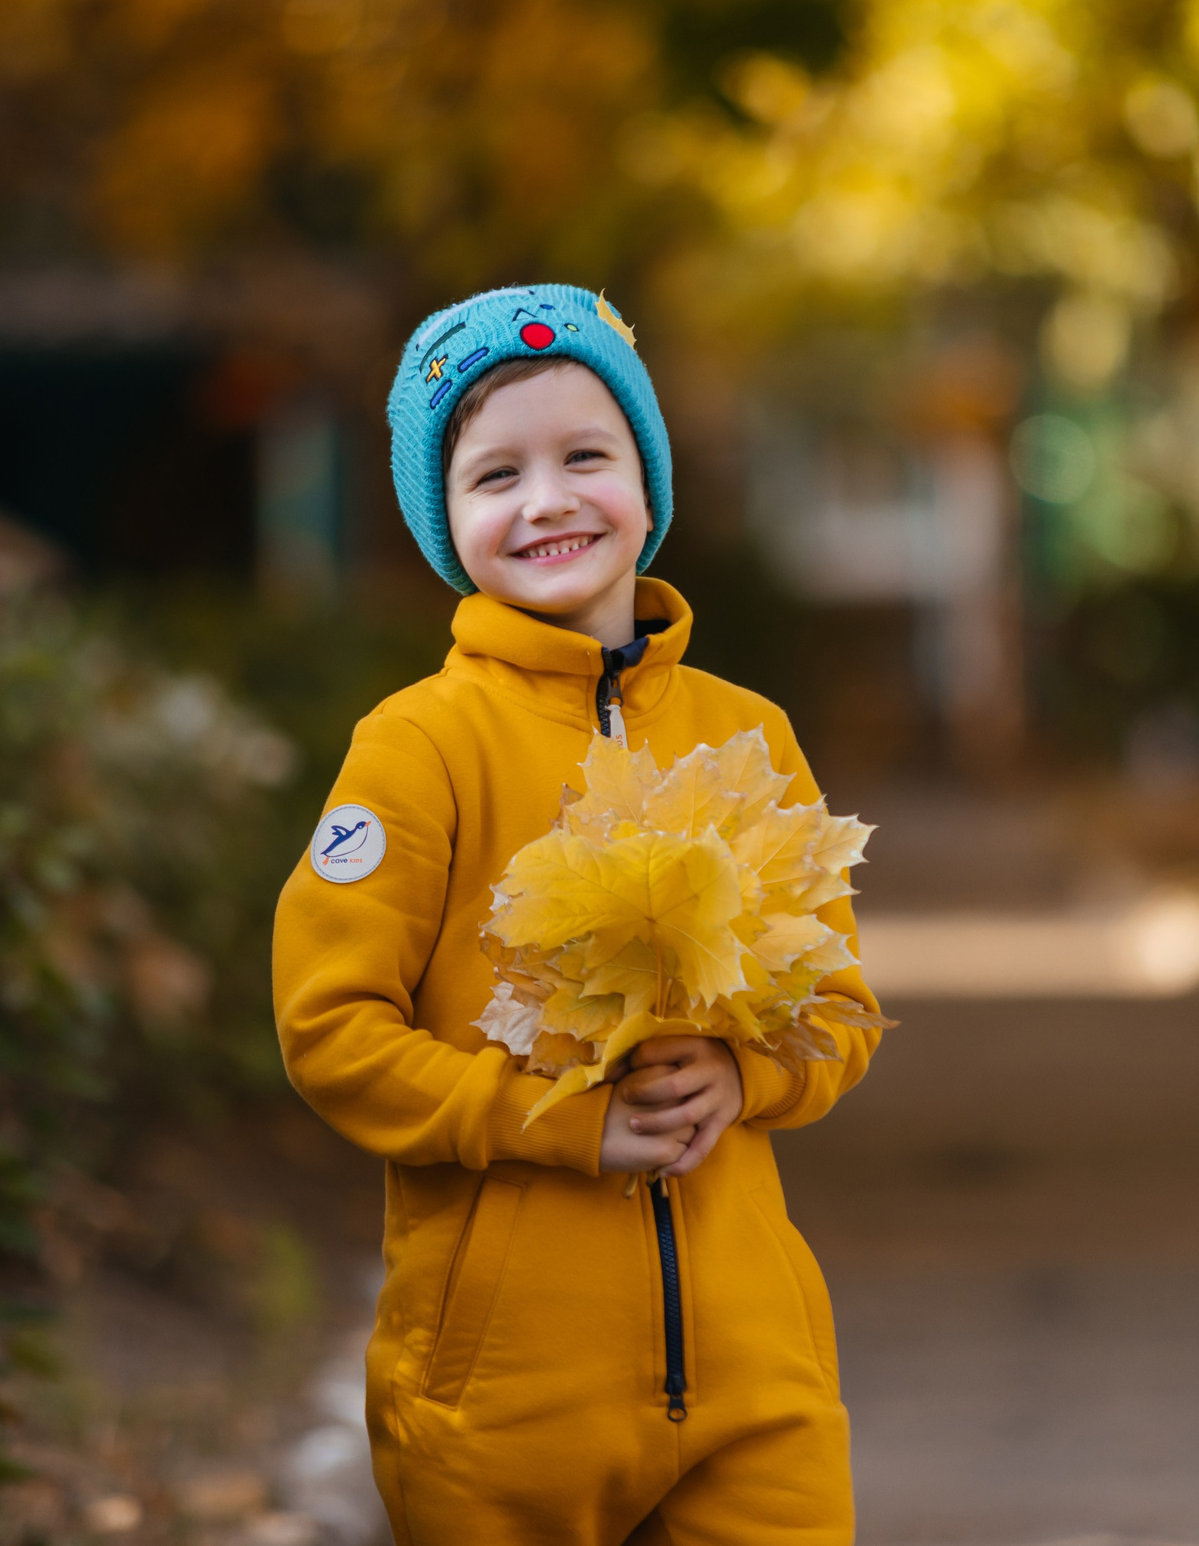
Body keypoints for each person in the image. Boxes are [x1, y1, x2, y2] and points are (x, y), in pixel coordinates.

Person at [273, 284, 883, 1545]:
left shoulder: (745, 731)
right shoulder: (418, 748)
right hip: (500, 1405)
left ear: (648, 485)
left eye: (586, 455)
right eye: (496, 473)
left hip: (755, 1383)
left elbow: (842, 1006)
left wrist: (747, 1075)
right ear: (445, 523)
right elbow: (330, 1028)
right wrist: (556, 1123)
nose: (546, 498)